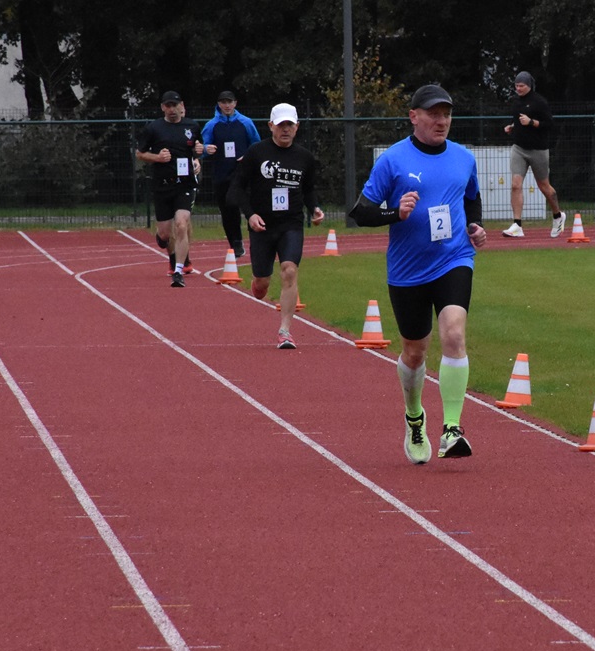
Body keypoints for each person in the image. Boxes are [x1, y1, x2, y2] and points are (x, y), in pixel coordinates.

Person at [350, 84, 489, 464]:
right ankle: (414, 416)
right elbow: (360, 212)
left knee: (454, 333)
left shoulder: (463, 158)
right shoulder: (393, 160)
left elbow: (471, 198)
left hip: (454, 258)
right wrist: (395, 213)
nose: (441, 121)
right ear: (414, 117)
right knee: (414, 352)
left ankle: (452, 428)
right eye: (433, 114)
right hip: (408, 270)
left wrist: (475, 226)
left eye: (446, 114)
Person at [227, 103, 323, 349]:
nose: (285, 129)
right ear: (271, 126)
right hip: (262, 226)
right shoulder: (256, 153)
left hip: (291, 224)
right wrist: (250, 215)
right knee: (262, 284)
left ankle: (285, 331)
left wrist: (314, 208)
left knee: (289, 270)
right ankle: (258, 282)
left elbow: (308, 189)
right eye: (281, 125)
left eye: (290, 124)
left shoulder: (305, 157)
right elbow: (236, 189)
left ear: (297, 127)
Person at [135, 90, 204, 287]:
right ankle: (164, 241)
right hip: (163, 184)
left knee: (181, 224)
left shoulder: (192, 126)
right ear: (162, 107)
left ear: (181, 106)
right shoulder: (154, 128)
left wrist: (198, 157)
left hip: (185, 183)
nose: (172, 109)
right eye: (168, 106)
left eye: (175, 105)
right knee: (165, 234)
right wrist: (157, 158)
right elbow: (140, 153)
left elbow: (195, 149)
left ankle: (179, 271)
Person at [500, 70, 564, 238]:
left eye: (521, 86)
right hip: (519, 148)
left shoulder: (539, 102)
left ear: (529, 86)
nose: (518, 89)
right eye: (516, 86)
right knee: (515, 184)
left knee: (544, 187)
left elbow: (549, 124)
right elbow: (518, 120)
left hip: (538, 150)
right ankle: (517, 224)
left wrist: (531, 122)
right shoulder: (515, 102)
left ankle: (558, 216)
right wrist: (512, 127)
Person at [201, 90, 261, 258]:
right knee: (228, 209)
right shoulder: (211, 125)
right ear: (219, 104)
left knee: (249, 206)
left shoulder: (246, 123)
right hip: (221, 173)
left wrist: (248, 156)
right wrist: (206, 149)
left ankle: (256, 239)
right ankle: (235, 242)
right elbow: (201, 148)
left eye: (230, 102)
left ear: (235, 103)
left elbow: (257, 145)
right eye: (223, 102)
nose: (227, 105)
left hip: (243, 172)